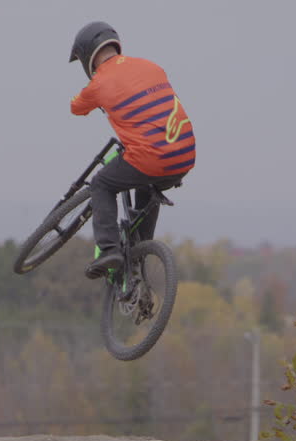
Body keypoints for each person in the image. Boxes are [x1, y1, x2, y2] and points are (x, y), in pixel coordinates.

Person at [69, 21, 195, 278]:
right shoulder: (150, 65)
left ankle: (109, 250)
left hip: (151, 156)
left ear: (87, 57)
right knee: (147, 181)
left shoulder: (99, 83)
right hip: (185, 154)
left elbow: (76, 107)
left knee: (102, 183)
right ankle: (140, 250)